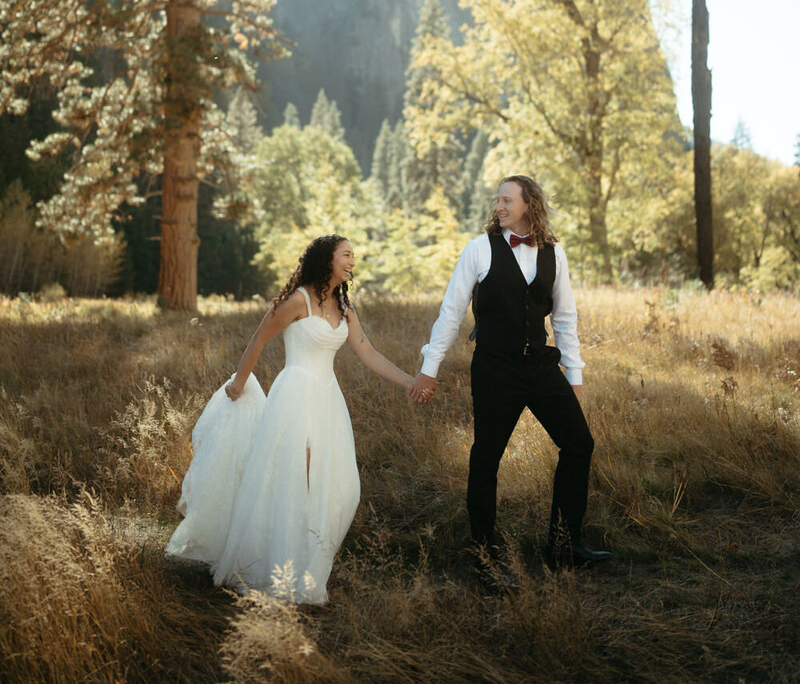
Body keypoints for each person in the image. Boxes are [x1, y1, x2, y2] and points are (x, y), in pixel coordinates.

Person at [166, 234, 413, 604]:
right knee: (296, 480)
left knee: (340, 486)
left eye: (353, 256)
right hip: (295, 395)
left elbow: (368, 351)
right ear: (327, 259)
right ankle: (281, 569)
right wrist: (239, 384)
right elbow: (259, 340)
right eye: (346, 255)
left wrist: (411, 382)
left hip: (328, 401)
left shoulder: (345, 306)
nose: (352, 261)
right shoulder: (298, 299)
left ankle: (309, 560)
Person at [409, 175, 610, 571]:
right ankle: (485, 554)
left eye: (506, 200)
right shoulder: (478, 250)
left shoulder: (556, 254)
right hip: (495, 369)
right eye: (497, 200)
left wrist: (575, 378)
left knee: (579, 445)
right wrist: (428, 369)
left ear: (528, 205)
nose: (498, 206)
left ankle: (564, 547)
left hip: (540, 367)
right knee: (486, 459)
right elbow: (450, 314)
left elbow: (566, 319)